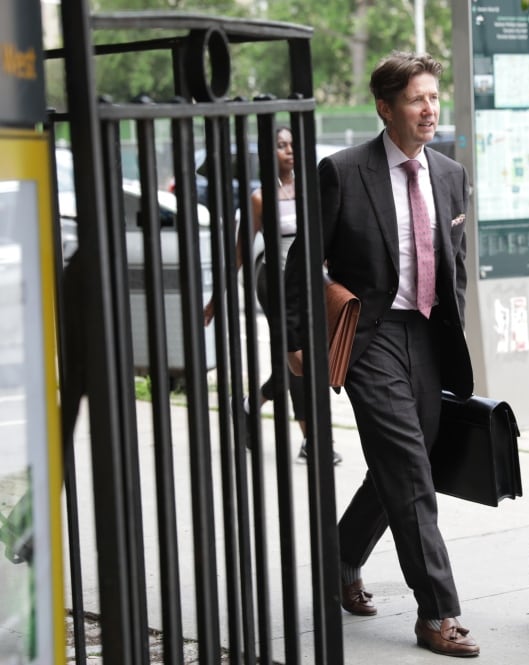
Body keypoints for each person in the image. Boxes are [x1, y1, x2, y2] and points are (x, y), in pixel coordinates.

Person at [285, 52, 478, 657]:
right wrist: (296, 337)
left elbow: (457, 264)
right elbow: (301, 261)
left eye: (433, 97)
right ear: (385, 107)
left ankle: (340, 561)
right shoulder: (342, 171)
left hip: (425, 334)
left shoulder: (448, 174)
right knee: (411, 472)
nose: (429, 109)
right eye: (417, 99)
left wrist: (457, 322)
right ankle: (437, 612)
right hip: (367, 338)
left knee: (405, 461)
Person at [204, 126, 342, 465]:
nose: (289, 150)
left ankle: (250, 405)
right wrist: (214, 301)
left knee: (296, 363)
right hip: (275, 283)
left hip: (309, 282)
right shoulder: (259, 198)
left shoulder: (312, 189)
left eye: (293, 144)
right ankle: (313, 441)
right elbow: (239, 252)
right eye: (281, 145)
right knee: (297, 359)